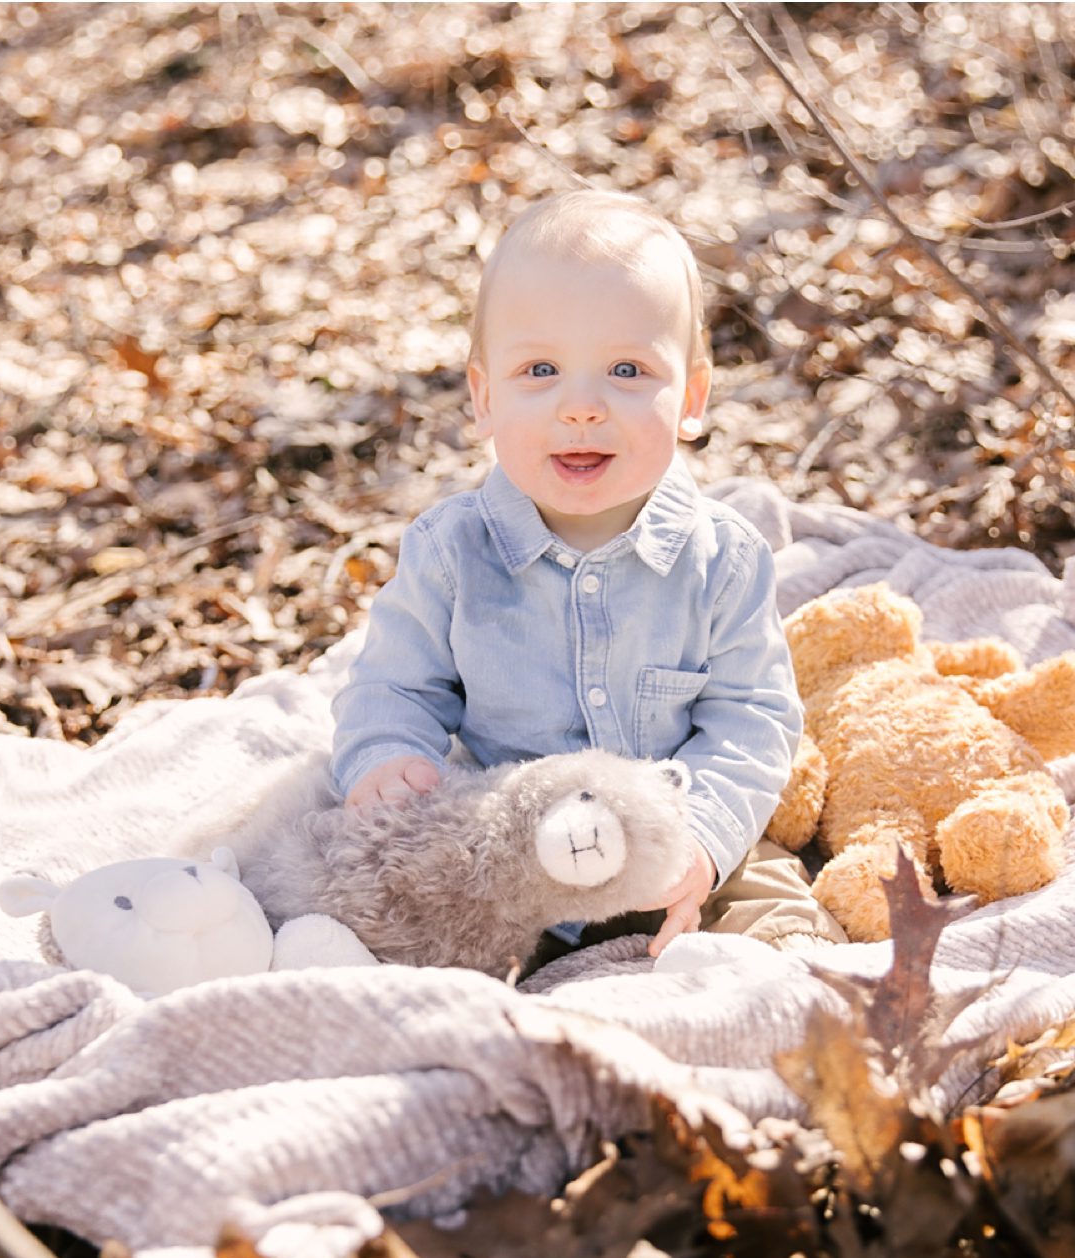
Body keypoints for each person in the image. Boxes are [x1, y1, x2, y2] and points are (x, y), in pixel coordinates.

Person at [330, 190, 847, 959]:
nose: (581, 407)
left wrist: (704, 837)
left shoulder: (723, 560)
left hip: (674, 850)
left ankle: (784, 994)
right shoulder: (450, 553)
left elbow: (752, 717)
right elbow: (391, 687)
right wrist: (387, 758)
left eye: (626, 369)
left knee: (776, 913)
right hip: (514, 859)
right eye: (540, 369)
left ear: (691, 398)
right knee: (413, 931)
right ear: (484, 398)